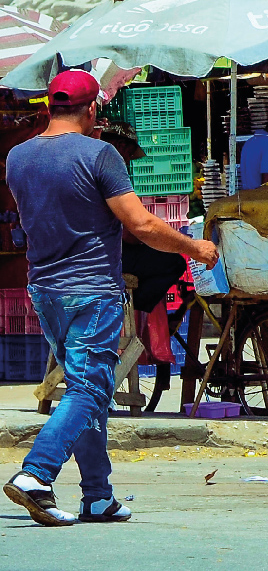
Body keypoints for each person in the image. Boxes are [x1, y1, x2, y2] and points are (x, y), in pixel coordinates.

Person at [4, 70, 219, 528]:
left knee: (87, 391)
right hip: (92, 289)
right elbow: (140, 225)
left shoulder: (18, 156)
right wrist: (194, 247)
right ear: (91, 109)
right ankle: (36, 474)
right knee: (90, 388)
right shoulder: (100, 154)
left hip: (44, 289)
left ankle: (97, 496)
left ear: (48, 106)